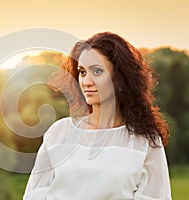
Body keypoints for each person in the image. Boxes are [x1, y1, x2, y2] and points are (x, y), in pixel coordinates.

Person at [23, 32, 171, 200]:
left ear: (120, 78)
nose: (86, 82)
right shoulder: (59, 133)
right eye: (82, 72)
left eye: (97, 71)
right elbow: (34, 195)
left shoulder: (145, 141)